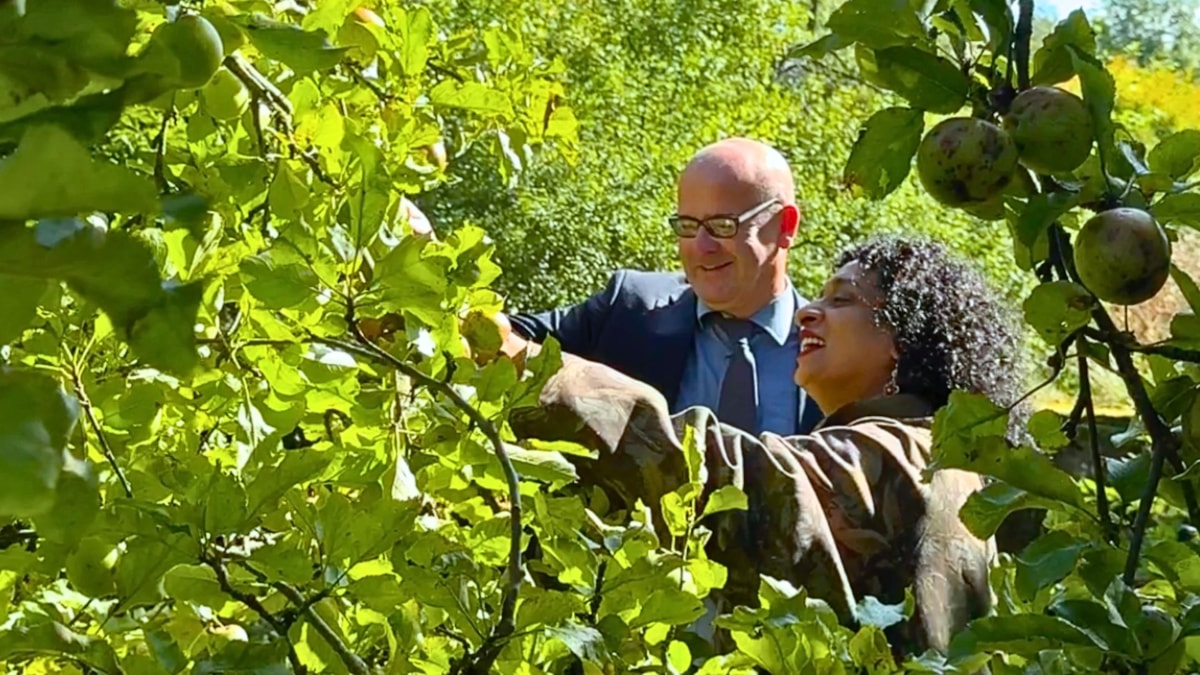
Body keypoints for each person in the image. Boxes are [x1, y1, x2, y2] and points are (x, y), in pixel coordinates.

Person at [509, 235, 1025, 658]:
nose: (808, 313)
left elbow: (733, 478)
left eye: (841, 299)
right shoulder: (934, 451)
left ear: (902, 340)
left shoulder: (907, 455)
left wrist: (526, 370)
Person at [501, 137, 824, 437]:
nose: (701, 246)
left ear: (785, 225)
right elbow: (503, 337)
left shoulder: (834, 347)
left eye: (722, 226)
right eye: (687, 226)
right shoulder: (629, 309)